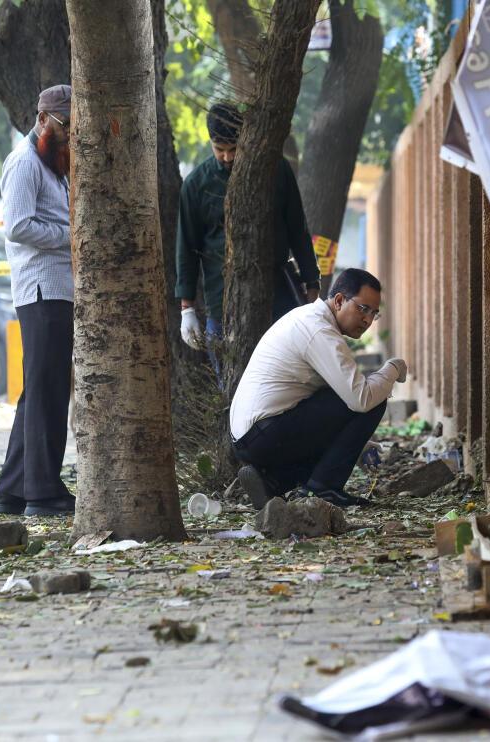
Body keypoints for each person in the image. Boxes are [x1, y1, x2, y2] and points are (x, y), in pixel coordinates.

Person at [229, 268, 407, 509]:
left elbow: (335, 401)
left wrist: (358, 445)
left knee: (354, 395)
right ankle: (324, 489)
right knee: (374, 398)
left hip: (251, 437)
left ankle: (271, 482)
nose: (367, 320)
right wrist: (393, 369)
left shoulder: (309, 318)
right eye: (363, 309)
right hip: (264, 434)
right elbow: (361, 399)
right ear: (339, 300)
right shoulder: (319, 331)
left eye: (374, 314)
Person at [175, 102, 321, 367]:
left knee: (287, 372)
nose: (228, 158)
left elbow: (298, 229)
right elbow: (186, 248)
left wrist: (312, 284)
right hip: (221, 301)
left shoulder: (277, 170)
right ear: (210, 143)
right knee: (231, 376)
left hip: (279, 293)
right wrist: (187, 309)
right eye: (220, 150)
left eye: (234, 149)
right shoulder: (196, 185)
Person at [0, 84, 77, 517]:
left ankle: (11, 490)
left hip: (61, 288)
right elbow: (18, 227)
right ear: (42, 119)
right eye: (63, 125)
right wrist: (72, 239)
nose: (68, 134)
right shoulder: (24, 162)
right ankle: (43, 493)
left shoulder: (53, 163)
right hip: (42, 290)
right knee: (48, 392)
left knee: (40, 390)